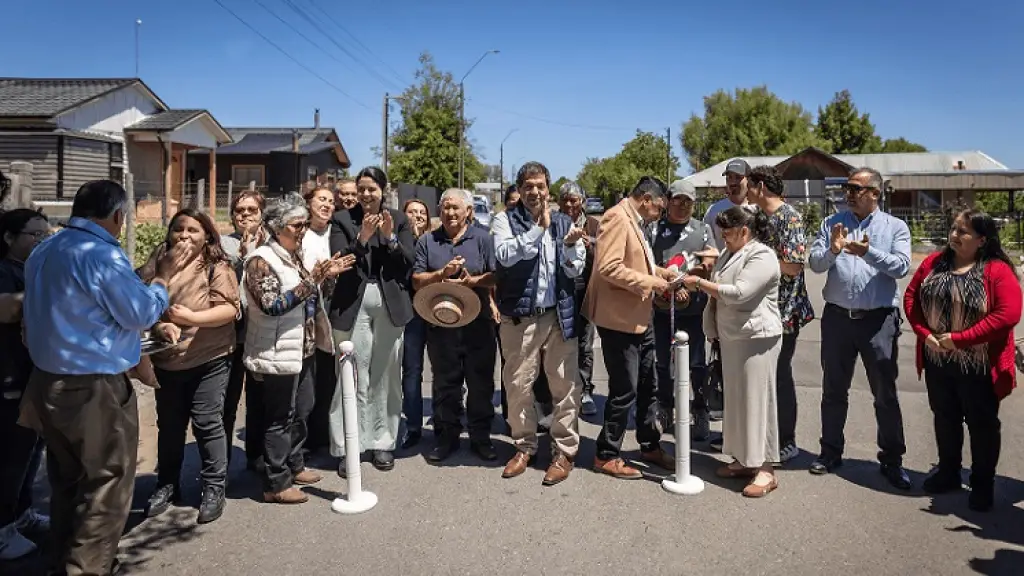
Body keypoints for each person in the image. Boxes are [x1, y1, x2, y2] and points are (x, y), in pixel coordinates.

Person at [19, 180, 188, 576]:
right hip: (92, 388)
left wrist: (142, 272)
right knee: (106, 485)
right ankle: (88, 568)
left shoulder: (46, 249)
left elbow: (92, 299)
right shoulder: (100, 255)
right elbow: (141, 314)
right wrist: (162, 278)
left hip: (48, 381)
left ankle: (64, 558)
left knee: (68, 479)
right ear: (117, 215)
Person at [904, 209, 1022, 511]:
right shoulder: (934, 263)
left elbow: (1007, 315)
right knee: (945, 417)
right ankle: (948, 472)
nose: (954, 235)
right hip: (937, 359)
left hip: (979, 364)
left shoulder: (996, 270)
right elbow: (911, 297)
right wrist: (924, 333)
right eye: (954, 228)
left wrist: (960, 339)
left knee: (982, 425)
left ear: (982, 240)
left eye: (963, 231)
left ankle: (983, 484)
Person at [243, 193, 355, 504]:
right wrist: (314, 279)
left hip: (303, 347)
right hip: (277, 349)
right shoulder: (261, 260)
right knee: (280, 416)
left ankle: (294, 464)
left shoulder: (295, 254)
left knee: (302, 409)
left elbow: (309, 296)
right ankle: (275, 482)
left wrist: (325, 278)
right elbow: (272, 305)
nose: (302, 229)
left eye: (305, 224)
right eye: (296, 225)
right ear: (277, 227)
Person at [807, 167, 913, 490]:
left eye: (856, 189)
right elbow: (814, 262)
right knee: (833, 389)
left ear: (875, 194)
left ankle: (892, 460)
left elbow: (902, 266)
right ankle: (830, 452)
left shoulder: (895, 227)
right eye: (847, 188)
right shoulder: (831, 224)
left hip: (877, 321)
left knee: (885, 393)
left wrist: (869, 252)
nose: (848, 194)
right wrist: (833, 250)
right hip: (838, 319)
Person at [137, 209, 240, 525]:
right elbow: (138, 304)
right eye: (178, 229)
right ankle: (167, 485)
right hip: (167, 360)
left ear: (207, 235)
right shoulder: (157, 266)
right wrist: (157, 326)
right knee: (169, 426)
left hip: (210, 358)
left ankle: (213, 487)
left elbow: (230, 309)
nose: (184, 235)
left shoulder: (216, 267)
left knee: (207, 422)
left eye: (193, 230)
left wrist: (192, 319)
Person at [492, 162, 586, 486]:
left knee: (565, 386)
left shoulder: (564, 222)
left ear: (548, 188)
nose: (535, 192)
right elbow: (505, 255)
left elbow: (575, 271)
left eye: (541, 186)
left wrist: (573, 246)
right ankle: (524, 446)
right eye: (529, 186)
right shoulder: (504, 219)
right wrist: (537, 230)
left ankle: (564, 451)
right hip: (520, 319)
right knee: (518, 386)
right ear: (519, 189)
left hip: (558, 315)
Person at [683, 206, 783, 497]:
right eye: (721, 233)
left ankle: (766, 469)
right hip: (732, 338)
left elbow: (740, 293)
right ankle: (744, 459)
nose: (723, 238)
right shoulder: (730, 252)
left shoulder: (762, 255)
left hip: (757, 338)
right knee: (738, 402)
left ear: (744, 231)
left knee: (758, 401)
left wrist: (700, 283)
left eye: (727, 233)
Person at [585, 176, 679, 479]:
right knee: (624, 388)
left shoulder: (635, 220)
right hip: (619, 319)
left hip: (640, 315)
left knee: (649, 384)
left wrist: (664, 274)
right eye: (659, 208)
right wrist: (654, 283)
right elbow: (609, 267)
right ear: (647, 199)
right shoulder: (616, 217)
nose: (660, 214)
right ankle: (606, 454)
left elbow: (640, 264)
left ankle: (649, 444)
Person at [328, 166, 415, 472]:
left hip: (390, 304)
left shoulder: (399, 219)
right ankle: (348, 445)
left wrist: (389, 238)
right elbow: (340, 260)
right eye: (361, 188)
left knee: (386, 375)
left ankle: (382, 442)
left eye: (371, 189)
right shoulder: (341, 219)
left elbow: (408, 262)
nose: (365, 195)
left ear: (382, 190)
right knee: (351, 375)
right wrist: (362, 238)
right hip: (354, 302)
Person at [413, 189, 498, 463]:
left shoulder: (483, 238)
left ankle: (480, 437)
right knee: (445, 384)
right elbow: (416, 279)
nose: (450, 213)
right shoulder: (428, 241)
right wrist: (442, 275)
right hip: (441, 325)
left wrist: (472, 281)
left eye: (456, 208)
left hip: (478, 323)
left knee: (480, 383)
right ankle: (446, 437)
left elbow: (496, 276)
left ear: (468, 212)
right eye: (445, 207)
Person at [745, 165, 815, 463]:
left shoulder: (790, 217)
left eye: (749, 185)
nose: (745, 191)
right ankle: (761, 436)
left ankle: (787, 440)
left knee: (780, 375)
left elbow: (794, 266)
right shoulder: (759, 217)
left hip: (785, 312)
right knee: (762, 375)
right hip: (760, 308)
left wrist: (758, 256)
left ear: (761, 186)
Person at [0, 209, 50, 561]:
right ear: (9, 238)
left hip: (34, 374)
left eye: (45, 235)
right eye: (34, 235)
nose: (40, 241)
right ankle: (2, 532)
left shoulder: (31, 269)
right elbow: (6, 309)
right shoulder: (4, 271)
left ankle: (21, 514)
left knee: (31, 452)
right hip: (9, 377)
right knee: (11, 458)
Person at [652, 180, 716, 441]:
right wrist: (668, 286)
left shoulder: (703, 230)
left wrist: (686, 282)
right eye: (677, 200)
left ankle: (699, 410)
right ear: (668, 200)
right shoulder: (655, 229)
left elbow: (709, 262)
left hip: (695, 308)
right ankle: (665, 407)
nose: (682, 205)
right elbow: (647, 264)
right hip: (662, 307)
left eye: (688, 201)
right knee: (663, 362)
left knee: (698, 364)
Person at [221, 191, 268, 472]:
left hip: (261, 332)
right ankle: (220, 460)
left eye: (252, 210)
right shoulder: (223, 244)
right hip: (231, 334)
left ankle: (256, 455)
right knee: (227, 399)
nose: (245, 215)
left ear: (262, 213)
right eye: (240, 210)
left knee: (259, 398)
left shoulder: (272, 242)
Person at [558, 181, 601, 416]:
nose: (569, 204)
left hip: (586, 291)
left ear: (582, 202)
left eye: (574, 200)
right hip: (560, 291)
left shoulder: (594, 225)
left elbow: (605, 259)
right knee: (560, 342)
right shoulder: (554, 223)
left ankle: (585, 391)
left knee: (585, 343)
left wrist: (590, 247)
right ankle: (562, 391)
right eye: (565, 199)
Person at [302, 186, 339, 453]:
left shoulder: (334, 233)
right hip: (303, 310)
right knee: (307, 376)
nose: (327, 205)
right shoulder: (299, 232)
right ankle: (306, 437)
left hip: (331, 308)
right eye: (321, 199)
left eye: (331, 201)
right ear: (308, 203)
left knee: (329, 374)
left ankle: (324, 434)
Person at [401, 197, 431, 449]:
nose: (418, 215)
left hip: (436, 313)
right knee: (412, 372)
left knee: (446, 371)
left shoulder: (434, 241)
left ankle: (446, 420)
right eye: (412, 211)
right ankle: (413, 425)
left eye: (422, 212)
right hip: (410, 315)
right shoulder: (399, 242)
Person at [704, 159, 755, 252]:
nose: (733, 182)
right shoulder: (714, 210)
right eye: (729, 177)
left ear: (749, 179)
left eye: (738, 177)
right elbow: (705, 243)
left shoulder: (757, 209)